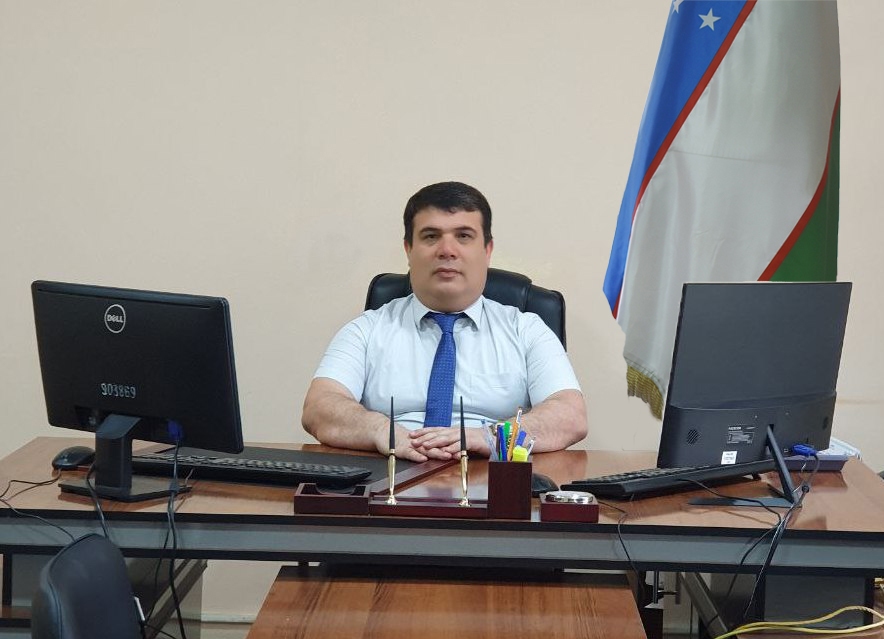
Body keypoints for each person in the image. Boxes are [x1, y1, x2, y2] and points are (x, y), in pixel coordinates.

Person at [302, 181, 587, 462]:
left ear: (487, 250)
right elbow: (319, 407)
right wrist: (383, 432)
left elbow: (570, 415)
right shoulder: (366, 330)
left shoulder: (526, 330)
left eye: (463, 236)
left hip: (492, 476)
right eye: (430, 236)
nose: (447, 250)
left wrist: (489, 436)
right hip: (391, 471)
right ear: (408, 249)